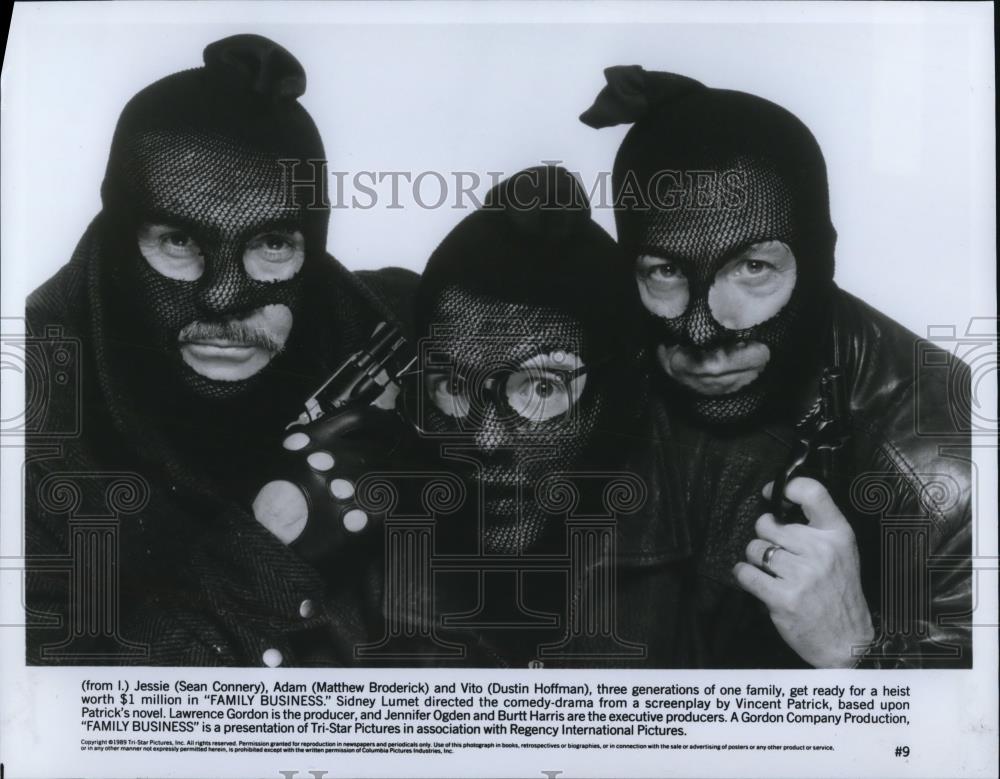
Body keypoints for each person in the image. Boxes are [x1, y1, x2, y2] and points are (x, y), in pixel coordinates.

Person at [24, 35, 416, 665]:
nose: (224, 299)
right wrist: (271, 541)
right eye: (179, 240)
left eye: (272, 245)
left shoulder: (398, 333)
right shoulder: (29, 426)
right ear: (123, 244)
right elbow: (55, 723)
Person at [581, 66, 972, 668]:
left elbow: (969, 736)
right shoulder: (614, 355)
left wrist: (856, 654)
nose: (703, 331)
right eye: (665, 271)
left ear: (822, 261)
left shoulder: (943, 461)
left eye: (753, 269)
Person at [370, 165, 700, 668]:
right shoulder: (367, 535)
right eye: (454, 387)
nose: (484, 439)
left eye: (542, 388)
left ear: (618, 391)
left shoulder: (719, 504)